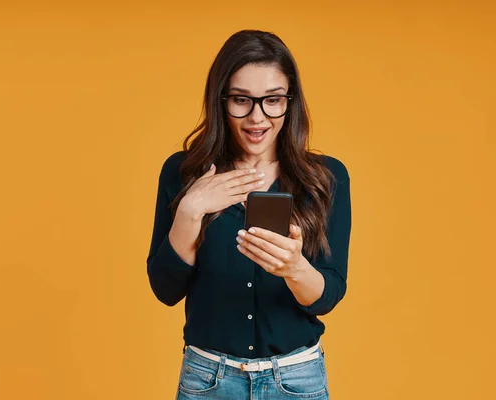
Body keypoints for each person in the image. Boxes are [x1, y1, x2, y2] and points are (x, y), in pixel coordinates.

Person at [147, 29, 352, 400]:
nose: (257, 117)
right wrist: (191, 210)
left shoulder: (326, 178)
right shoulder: (183, 173)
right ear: (220, 99)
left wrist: (294, 267)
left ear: (290, 101)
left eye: (272, 100)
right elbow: (165, 289)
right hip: (207, 379)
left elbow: (329, 294)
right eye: (241, 100)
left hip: (296, 381)